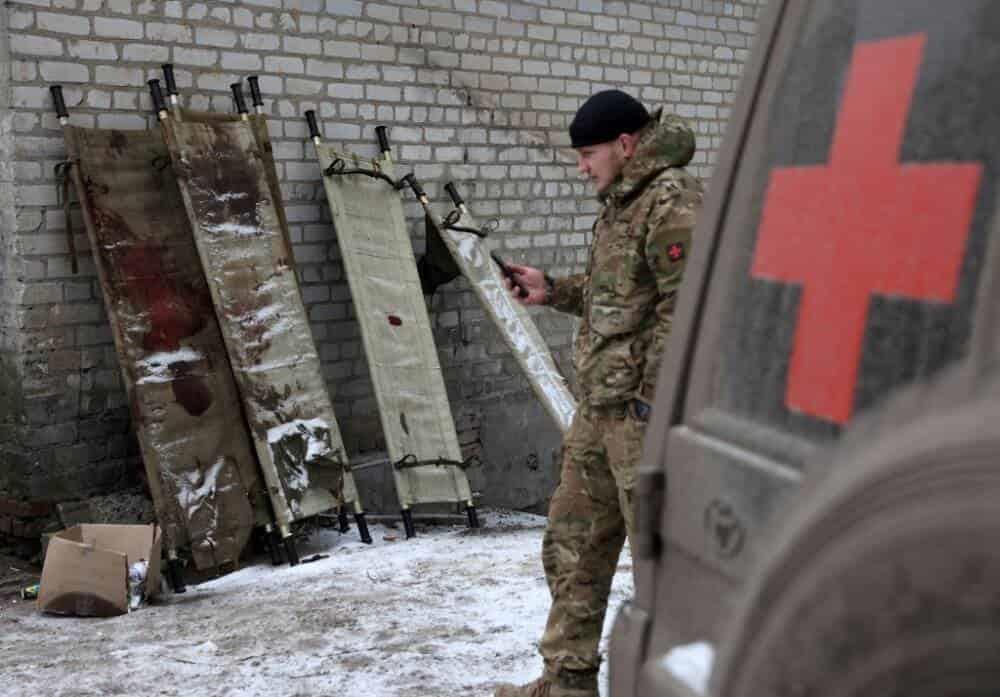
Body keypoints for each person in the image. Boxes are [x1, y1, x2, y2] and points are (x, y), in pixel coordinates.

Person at [494, 90, 704, 697]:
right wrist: (552, 289)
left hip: (641, 417)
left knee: (663, 568)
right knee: (572, 542)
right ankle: (567, 680)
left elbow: (684, 308)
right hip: (601, 411)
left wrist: (653, 400)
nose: (581, 167)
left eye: (587, 154)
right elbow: (621, 292)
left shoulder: (671, 199)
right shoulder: (622, 203)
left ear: (625, 144)